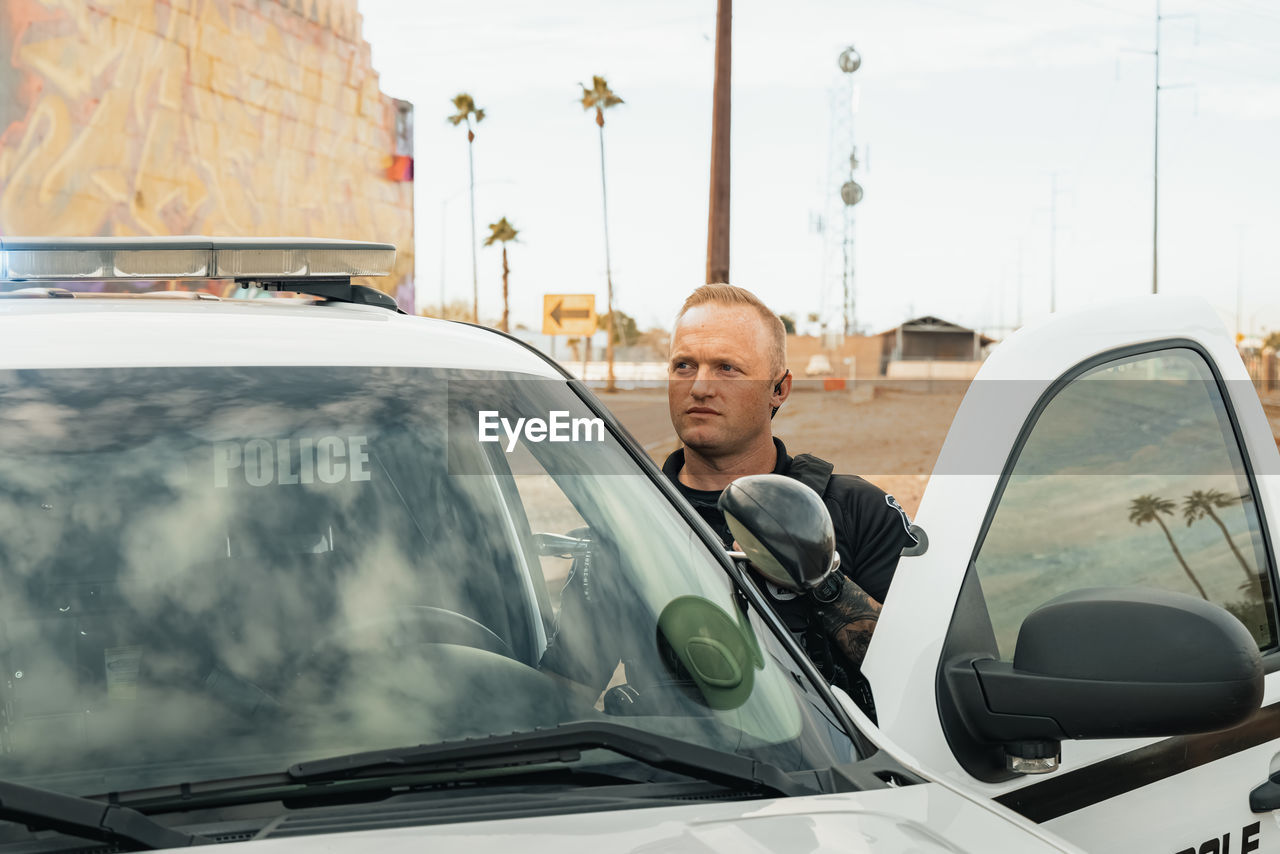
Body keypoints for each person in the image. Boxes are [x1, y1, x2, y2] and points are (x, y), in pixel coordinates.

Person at [662, 284, 917, 705]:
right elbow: (571, 678)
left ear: (779, 389)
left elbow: (921, 677)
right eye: (684, 365)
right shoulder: (633, 516)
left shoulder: (858, 512)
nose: (700, 387)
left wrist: (821, 580)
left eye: (728, 368)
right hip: (669, 766)